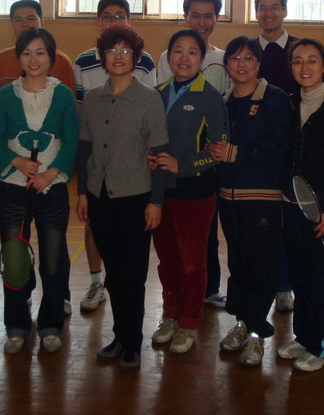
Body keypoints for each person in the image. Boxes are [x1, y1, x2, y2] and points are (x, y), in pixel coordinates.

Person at [75, 25, 169, 371]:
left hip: (135, 198)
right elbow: (84, 149)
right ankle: (119, 336)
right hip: (99, 198)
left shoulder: (149, 99)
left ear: (136, 57)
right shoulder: (93, 98)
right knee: (114, 275)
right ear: (102, 57)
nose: (118, 56)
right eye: (112, 50)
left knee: (133, 274)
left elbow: (160, 153)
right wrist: (82, 193)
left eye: (125, 50)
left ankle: (132, 343)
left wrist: (156, 202)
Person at [0, 27, 79, 355]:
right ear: (19, 58)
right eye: (26, 53)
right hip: (13, 191)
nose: (33, 59)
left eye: (40, 52)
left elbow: (72, 141)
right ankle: (16, 325)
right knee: (14, 260)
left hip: (52, 190)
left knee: (53, 262)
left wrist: (51, 173)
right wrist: (16, 162)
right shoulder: (5, 96)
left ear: (51, 58)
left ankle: (51, 324)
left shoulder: (63, 95)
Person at [206, 36, 290, 366]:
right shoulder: (223, 102)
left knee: (261, 267)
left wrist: (235, 153)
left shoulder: (274, 98)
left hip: (262, 198)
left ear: (258, 64)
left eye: (248, 58)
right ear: (227, 64)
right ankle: (242, 322)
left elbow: (278, 146)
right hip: (229, 199)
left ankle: (257, 334)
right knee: (238, 264)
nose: (241, 64)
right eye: (235, 58)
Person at [73, 0, 157, 312]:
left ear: (129, 20)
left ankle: (126, 313)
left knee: (129, 259)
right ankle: (97, 283)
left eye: (119, 15)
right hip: (98, 171)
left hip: (132, 173)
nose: (113, 21)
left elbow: (150, 117)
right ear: (98, 22)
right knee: (96, 229)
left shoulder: (145, 63)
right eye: (107, 16)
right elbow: (82, 120)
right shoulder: (82, 63)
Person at [149, 29, 229, 354]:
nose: (184, 58)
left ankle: (190, 322)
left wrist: (181, 165)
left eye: (192, 52)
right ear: (169, 57)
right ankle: (170, 314)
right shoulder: (156, 94)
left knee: (193, 264)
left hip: (196, 193)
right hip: (159, 193)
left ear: (201, 59)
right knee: (167, 261)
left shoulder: (210, 97)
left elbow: (217, 151)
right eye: (178, 51)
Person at [274, 38, 324, 372]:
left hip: (322, 210)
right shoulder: (291, 105)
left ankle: (322, 347)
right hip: (291, 205)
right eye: (297, 61)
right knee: (300, 275)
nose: (304, 67)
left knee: (320, 280)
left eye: (312, 60)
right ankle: (305, 337)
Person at [253, 0, 297, 312]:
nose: (268, 13)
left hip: (290, 150)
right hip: (254, 152)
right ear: (256, 13)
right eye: (263, 8)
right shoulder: (247, 49)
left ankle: (284, 285)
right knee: (258, 222)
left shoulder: (298, 49)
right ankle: (259, 285)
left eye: (275, 7)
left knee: (285, 221)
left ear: (284, 11)